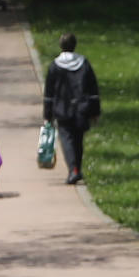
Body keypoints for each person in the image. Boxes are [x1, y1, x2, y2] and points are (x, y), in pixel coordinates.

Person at [42, 32, 100, 185]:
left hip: (62, 109)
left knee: (67, 140)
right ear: (75, 45)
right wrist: (95, 112)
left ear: (61, 46)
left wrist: (47, 114)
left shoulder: (55, 66)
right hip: (82, 108)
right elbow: (93, 89)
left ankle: (73, 170)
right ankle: (76, 169)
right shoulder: (84, 63)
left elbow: (49, 92)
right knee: (78, 140)